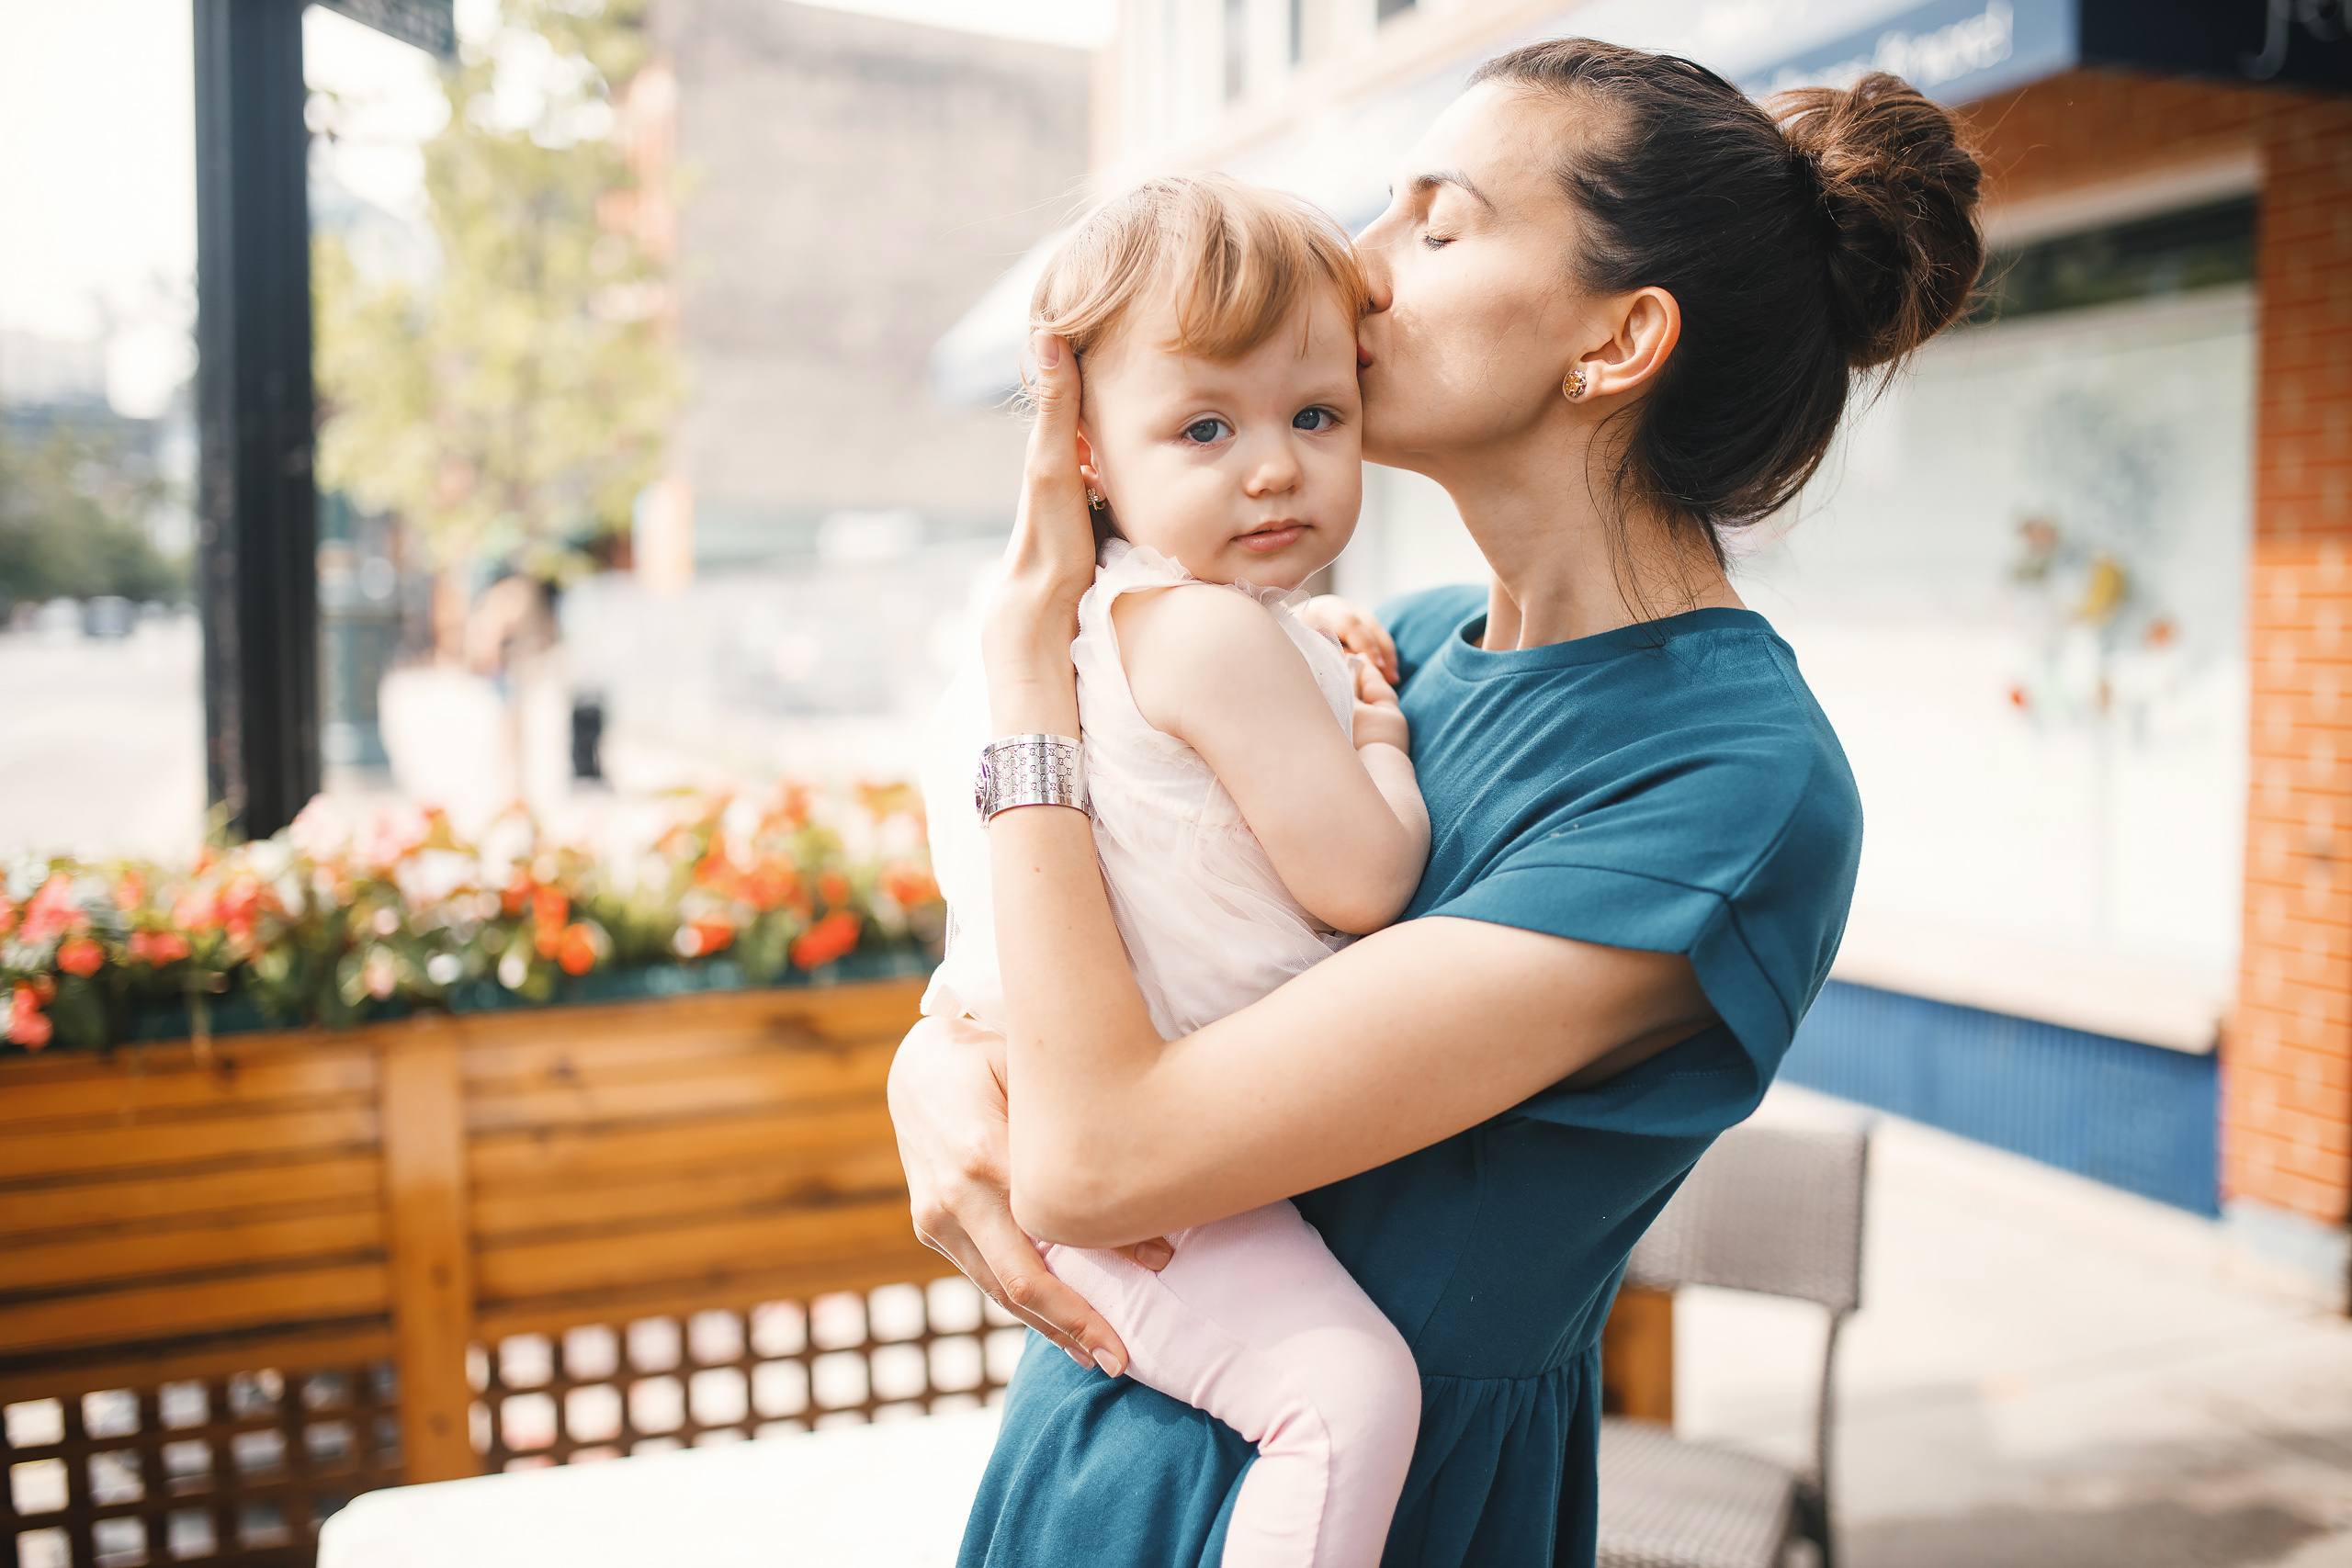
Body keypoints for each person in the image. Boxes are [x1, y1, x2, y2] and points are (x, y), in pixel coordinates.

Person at [888, 40, 1985, 1567]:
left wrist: (1025, 665)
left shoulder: (1723, 783)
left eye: (1438, 221)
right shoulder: (1375, 656)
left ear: (1615, 344)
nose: (1359, 264)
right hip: (1108, 1451)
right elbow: (1093, 964)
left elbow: (1099, 1158)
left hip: (1387, 1505)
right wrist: (932, 1062)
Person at [919, 174, 1431, 1567]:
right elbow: (1369, 878)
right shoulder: (1212, 641)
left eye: (1315, 416)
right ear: (1084, 452)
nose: (1274, 467)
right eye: (1205, 426)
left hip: (1109, 1132)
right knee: (1347, 1399)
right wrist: (1381, 736)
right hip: (1157, 1181)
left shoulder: (1120, 622)